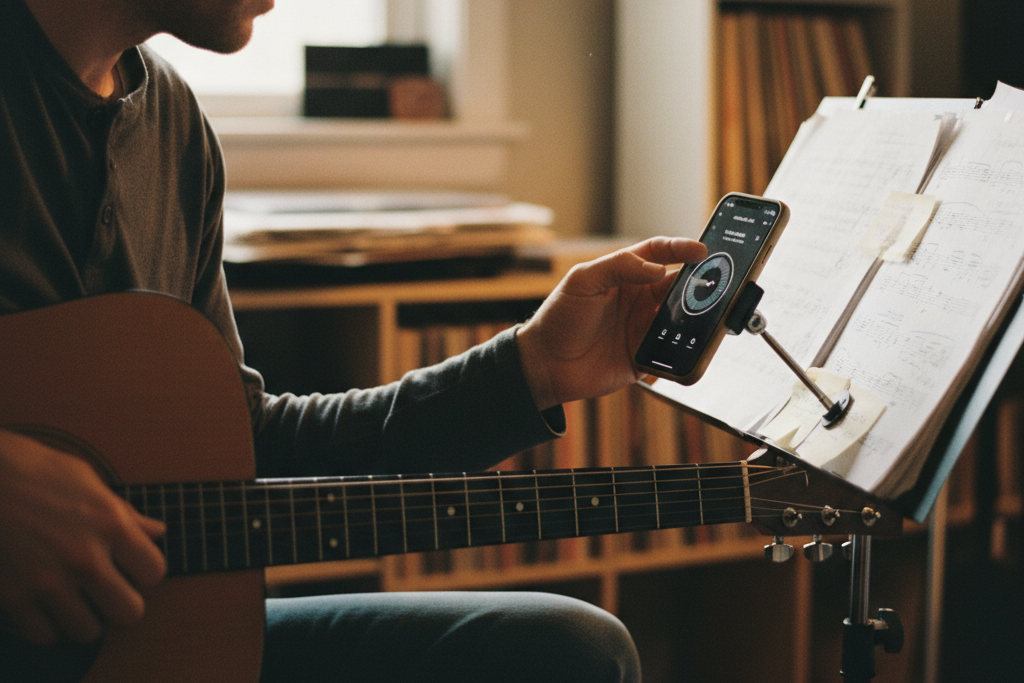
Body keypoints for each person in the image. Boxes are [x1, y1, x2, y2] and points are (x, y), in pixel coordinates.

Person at [0, 1, 707, 681]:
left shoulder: (176, 130)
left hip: (138, 645)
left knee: (570, 648)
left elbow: (244, 447)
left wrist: (532, 369)